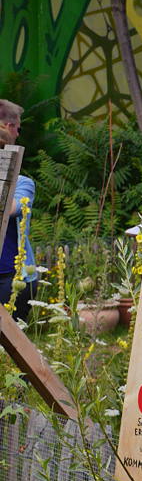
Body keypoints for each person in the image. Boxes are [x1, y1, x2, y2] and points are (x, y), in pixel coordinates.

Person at [0, 100, 38, 322]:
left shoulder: (23, 183)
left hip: (12, 277)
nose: (18, 134)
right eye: (17, 128)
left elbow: (8, 208)